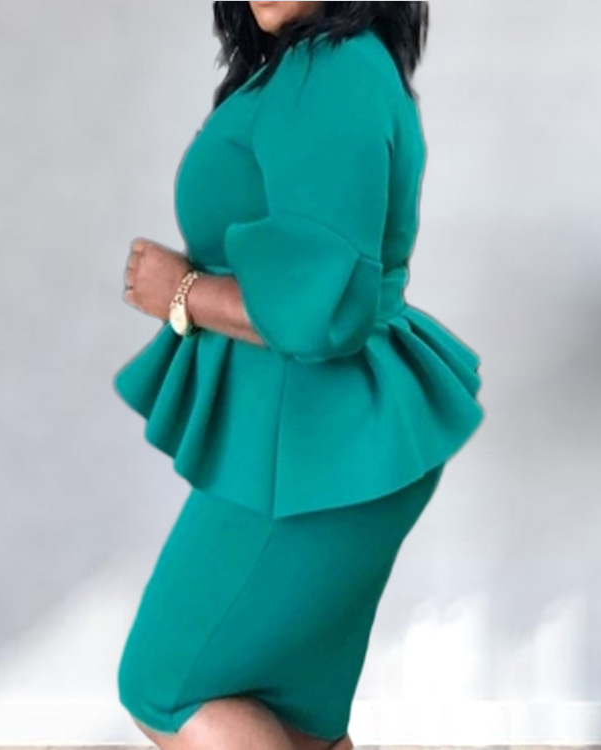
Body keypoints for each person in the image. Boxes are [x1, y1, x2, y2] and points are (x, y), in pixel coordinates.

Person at [114, 3, 484, 749]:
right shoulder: (323, 66)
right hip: (315, 441)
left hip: (309, 448)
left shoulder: (332, 69)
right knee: (295, 719)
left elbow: (322, 308)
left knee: (165, 685)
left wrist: (183, 292)